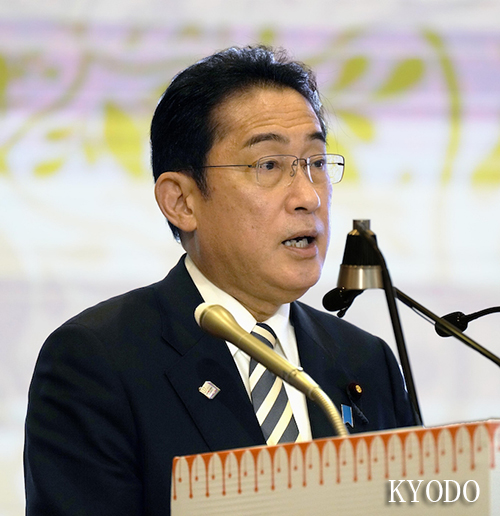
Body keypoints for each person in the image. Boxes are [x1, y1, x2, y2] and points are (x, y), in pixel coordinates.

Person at [24, 45, 416, 515]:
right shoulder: (97, 362)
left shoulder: (365, 361)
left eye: (315, 163)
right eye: (269, 165)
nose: (308, 197)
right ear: (181, 202)